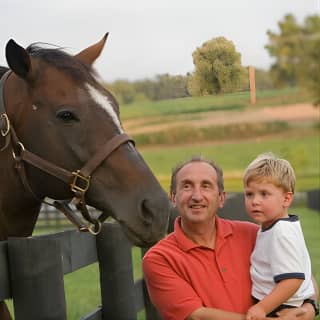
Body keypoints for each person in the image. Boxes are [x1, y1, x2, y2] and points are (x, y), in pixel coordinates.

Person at [142, 155, 318, 320]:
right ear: (173, 197)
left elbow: (302, 272)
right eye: (187, 186)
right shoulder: (159, 258)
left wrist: (310, 307)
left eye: (206, 186)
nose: (196, 196)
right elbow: (197, 315)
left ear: (221, 198)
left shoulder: (253, 234)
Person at [243, 153, 316, 319]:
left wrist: (262, 307)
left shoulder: (281, 233)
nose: (255, 201)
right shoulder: (279, 227)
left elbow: (292, 280)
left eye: (264, 194)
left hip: (281, 308)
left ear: (286, 199)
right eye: (249, 194)